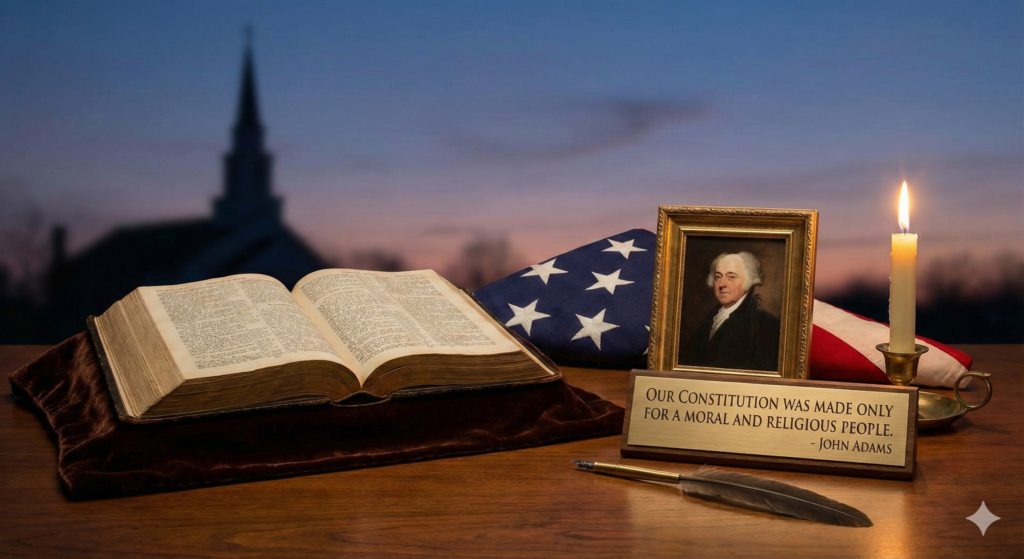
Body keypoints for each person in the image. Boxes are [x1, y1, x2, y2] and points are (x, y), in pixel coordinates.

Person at [679, 251, 780, 371]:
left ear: (749, 281)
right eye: (718, 277)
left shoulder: (765, 324)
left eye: (731, 277)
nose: (722, 284)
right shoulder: (712, 319)